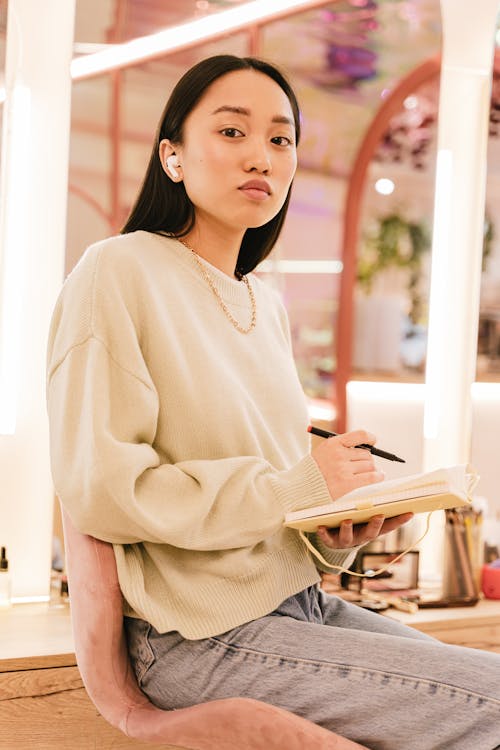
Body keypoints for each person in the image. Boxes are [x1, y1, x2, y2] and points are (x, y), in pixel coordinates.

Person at [46, 54, 500, 750]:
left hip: (299, 610)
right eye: (232, 133)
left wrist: (331, 532)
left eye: (281, 139)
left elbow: (270, 504)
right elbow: (104, 490)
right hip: (197, 635)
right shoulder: (119, 270)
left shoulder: (264, 300)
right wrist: (293, 483)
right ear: (172, 155)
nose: (261, 155)